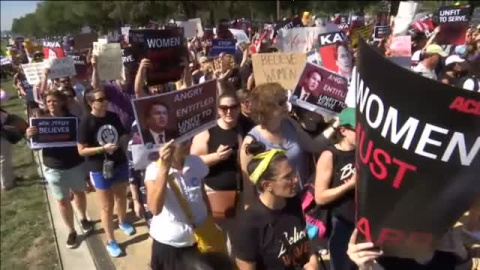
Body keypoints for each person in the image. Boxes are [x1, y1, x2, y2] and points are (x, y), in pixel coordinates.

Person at [231, 144, 319, 270]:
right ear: (267, 185)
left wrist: (313, 260)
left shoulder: (293, 202)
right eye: (287, 177)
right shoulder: (248, 225)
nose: (295, 179)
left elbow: (305, 242)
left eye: (293, 173)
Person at [26, 90, 94, 248]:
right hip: (53, 168)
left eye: (54, 101)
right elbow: (35, 148)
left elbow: (83, 143)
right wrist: (30, 137)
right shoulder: (40, 122)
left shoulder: (74, 121)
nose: (51, 104)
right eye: (48, 101)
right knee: (62, 201)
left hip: (75, 165)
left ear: (62, 102)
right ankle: (71, 231)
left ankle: (83, 218)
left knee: (79, 194)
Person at [77, 88, 135, 257]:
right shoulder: (86, 122)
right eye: (101, 99)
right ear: (91, 103)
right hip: (99, 168)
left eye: (106, 99)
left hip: (119, 163)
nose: (105, 102)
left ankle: (123, 221)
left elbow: (122, 135)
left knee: (121, 197)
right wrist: (102, 148)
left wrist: (130, 138)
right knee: (106, 206)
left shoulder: (113, 116)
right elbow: (81, 150)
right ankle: (111, 241)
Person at [240, 83, 310, 209]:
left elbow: (313, 146)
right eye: (281, 102)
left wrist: (335, 124)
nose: (286, 105)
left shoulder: (290, 123)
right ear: (267, 109)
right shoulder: (251, 142)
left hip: (301, 200)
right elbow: (248, 188)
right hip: (274, 207)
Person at [144, 140, 210, 269]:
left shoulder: (196, 162)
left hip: (199, 240)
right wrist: (164, 167)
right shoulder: (153, 170)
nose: (188, 145)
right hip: (170, 245)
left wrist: (210, 218)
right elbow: (154, 208)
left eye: (189, 140)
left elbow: (202, 194)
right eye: (183, 142)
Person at [190, 93, 243, 253]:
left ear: (239, 108)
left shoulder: (245, 126)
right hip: (216, 194)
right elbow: (193, 162)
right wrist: (216, 157)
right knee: (220, 240)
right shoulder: (208, 131)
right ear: (218, 110)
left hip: (244, 193)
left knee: (239, 239)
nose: (229, 111)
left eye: (233, 107)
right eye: (224, 108)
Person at [315, 108, 357, 270]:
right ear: (343, 130)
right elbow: (320, 196)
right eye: (357, 129)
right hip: (341, 223)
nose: (362, 133)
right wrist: (348, 185)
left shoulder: (365, 151)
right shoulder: (330, 155)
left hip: (363, 222)